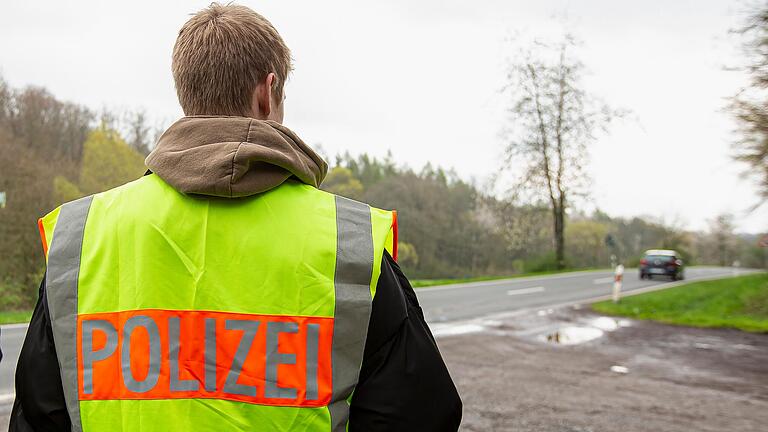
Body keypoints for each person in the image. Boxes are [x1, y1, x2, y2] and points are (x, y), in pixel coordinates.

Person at [9, 3, 461, 431]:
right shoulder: (349, 243)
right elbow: (419, 413)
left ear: (186, 94)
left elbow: (39, 412)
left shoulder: (84, 236)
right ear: (268, 94)